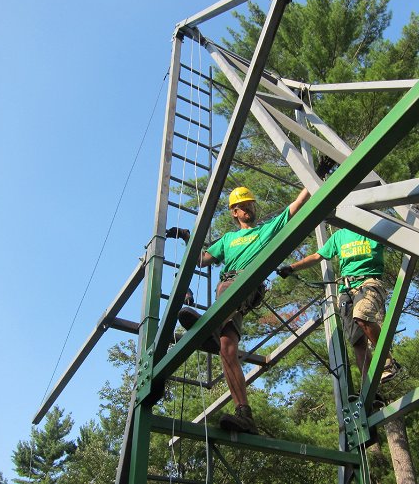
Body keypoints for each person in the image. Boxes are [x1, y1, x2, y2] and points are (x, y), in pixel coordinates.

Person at [167, 185, 310, 434]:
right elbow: (201, 260)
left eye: (251, 204)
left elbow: (294, 207)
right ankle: (244, 413)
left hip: (246, 284)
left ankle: (208, 330)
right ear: (234, 212)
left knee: (227, 289)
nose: (250, 208)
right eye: (244, 206)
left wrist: (314, 178)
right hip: (228, 293)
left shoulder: (264, 232)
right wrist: (187, 236)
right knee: (226, 350)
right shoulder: (227, 240)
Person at [277, 228, 401, 390]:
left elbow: (399, 234)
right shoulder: (340, 235)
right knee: (357, 341)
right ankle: (369, 387)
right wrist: (292, 267)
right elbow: (316, 256)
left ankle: (387, 361)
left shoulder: (373, 228)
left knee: (362, 315)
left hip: (369, 282)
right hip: (346, 289)